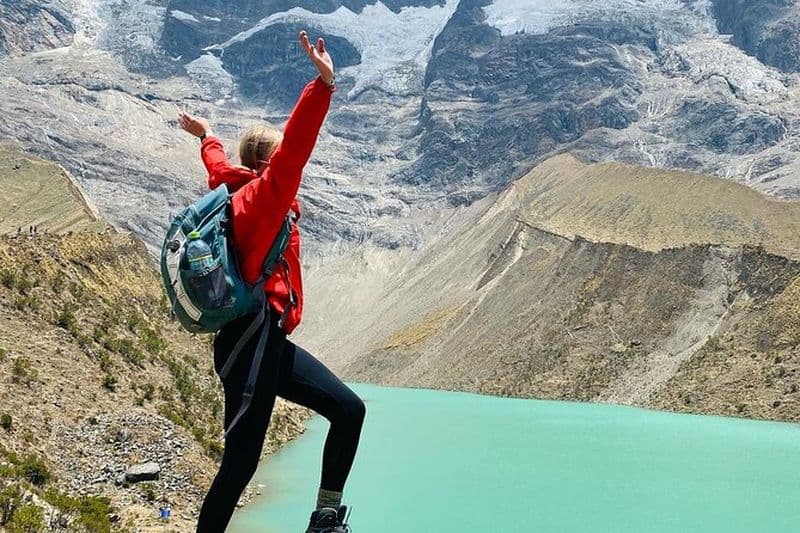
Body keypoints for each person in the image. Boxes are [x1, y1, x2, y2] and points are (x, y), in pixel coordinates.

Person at [179, 31, 365, 533]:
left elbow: (220, 167)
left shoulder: (239, 188)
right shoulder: (263, 198)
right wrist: (323, 85)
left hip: (269, 341)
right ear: (266, 164)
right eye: (278, 158)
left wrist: (205, 136)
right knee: (239, 466)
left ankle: (324, 519)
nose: (291, 167)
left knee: (349, 410)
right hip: (251, 345)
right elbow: (297, 148)